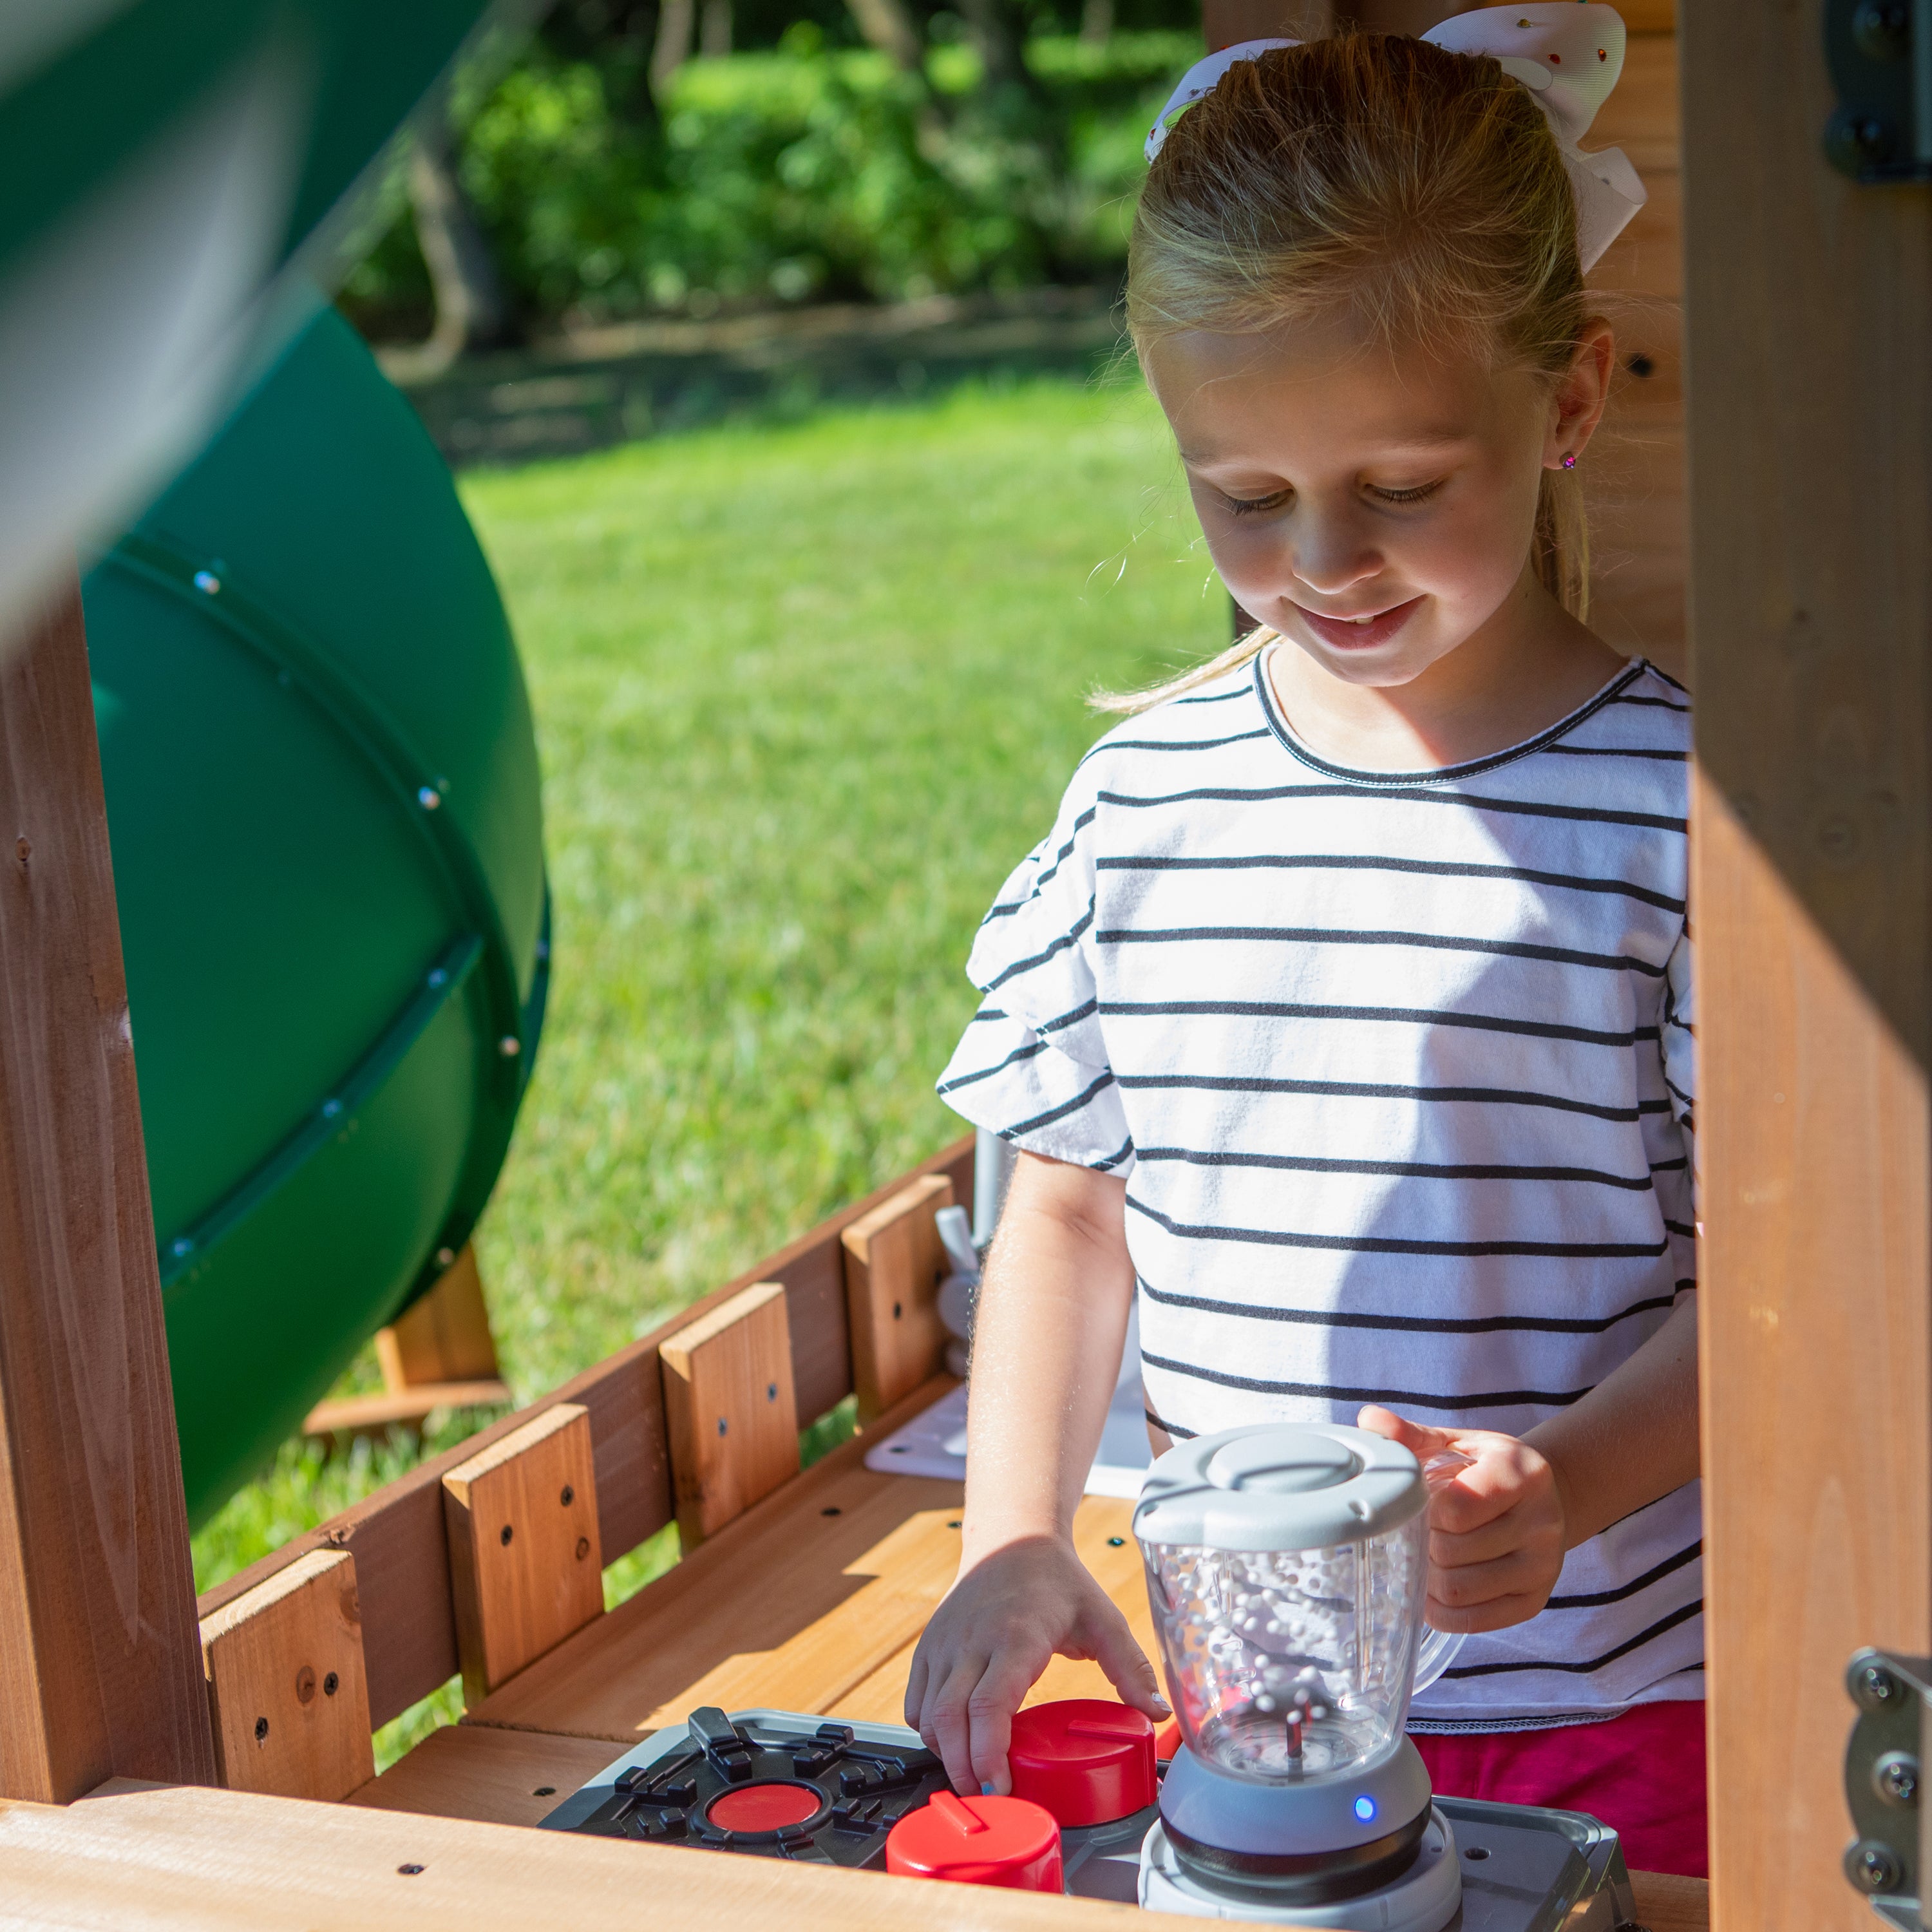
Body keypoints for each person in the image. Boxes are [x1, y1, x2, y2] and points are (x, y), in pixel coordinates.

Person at [904, 6, 1706, 1879]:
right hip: (1252, 1710)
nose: (1323, 559)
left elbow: (1791, 1267)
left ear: (1571, 401)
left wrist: (1570, 1482)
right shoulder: (1144, 807)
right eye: (1245, 498)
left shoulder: (1683, 819)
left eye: (1404, 488)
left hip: (1611, 1714)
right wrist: (1013, 1534)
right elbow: (1071, 1214)